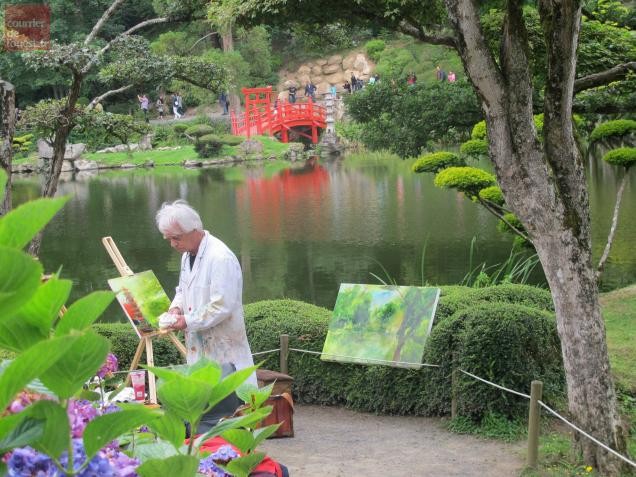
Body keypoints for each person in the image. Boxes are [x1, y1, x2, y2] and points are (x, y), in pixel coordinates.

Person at [155, 200, 257, 386]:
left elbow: (221, 305)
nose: (172, 244)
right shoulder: (187, 255)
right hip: (199, 349)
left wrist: (186, 321)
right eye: (168, 239)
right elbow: (183, 289)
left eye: (176, 238)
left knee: (231, 406)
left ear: (193, 230)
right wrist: (176, 309)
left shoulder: (220, 257)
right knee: (205, 405)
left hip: (226, 350)